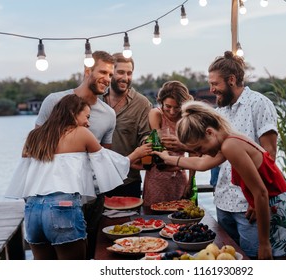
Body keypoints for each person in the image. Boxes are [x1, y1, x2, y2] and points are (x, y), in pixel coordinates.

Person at [153, 100, 286, 260]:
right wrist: (169, 159)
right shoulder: (230, 140)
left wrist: (263, 244)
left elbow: (261, 193)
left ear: (210, 132)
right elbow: (202, 163)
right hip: (281, 211)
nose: (201, 152)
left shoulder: (229, 146)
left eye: (199, 148)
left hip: (282, 216)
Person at [5, 94, 152, 260]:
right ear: (73, 113)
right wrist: (135, 154)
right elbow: (106, 163)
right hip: (63, 207)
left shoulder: (34, 135)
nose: (88, 123)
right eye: (87, 116)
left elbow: (24, 177)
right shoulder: (81, 133)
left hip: (33, 211)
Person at [35, 50, 116, 259]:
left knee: (88, 258)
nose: (107, 79)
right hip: (54, 199)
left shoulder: (108, 114)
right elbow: (35, 150)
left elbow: (102, 161)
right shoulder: (54, 101)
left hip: (92, 200)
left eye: (110, 75)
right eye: (103, 72)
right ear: (87, 70)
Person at [208, 51, 278, 258]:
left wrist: (255, 200)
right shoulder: (220, 112)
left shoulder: (259, 103)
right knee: (228, 260)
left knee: (252, 260)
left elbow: (270, 155)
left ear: (231, 80)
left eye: (215, 84)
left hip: (248, 205)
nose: (211, 90)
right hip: (223, 202)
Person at [103, 53, 152, 198]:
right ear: (111, 73)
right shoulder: (96, 99)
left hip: (127, 181)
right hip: (97, 181)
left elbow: (146, 136)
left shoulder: (142, 104)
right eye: (120, 72)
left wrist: (146, 148)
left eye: (129, 73)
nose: (125, 77)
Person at [142, 81, 194, 206]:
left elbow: (194, 153)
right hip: (157, 175)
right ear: (161, 102)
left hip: (179, 176)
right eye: (168, 106)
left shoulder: (187, 119)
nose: (172, 111)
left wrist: (190, 182)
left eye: (177, 107)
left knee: (180, 217)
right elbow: (158, 143)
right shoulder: (156, 114)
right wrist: (168, 158)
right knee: (153, 217)